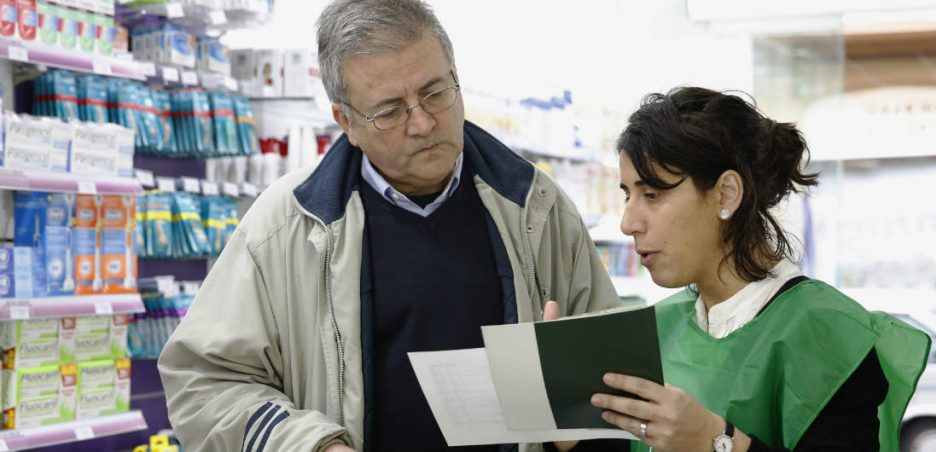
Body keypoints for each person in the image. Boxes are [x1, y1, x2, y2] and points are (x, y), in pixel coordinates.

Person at [157, 1, 622, 451]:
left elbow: (615, 379)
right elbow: (204, 382)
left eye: (435, 93)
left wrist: (575, 419)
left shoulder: (536, 209)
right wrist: (310, 446)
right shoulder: (284, 227)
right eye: (390, 110)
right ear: (346, 122)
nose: (422, 122)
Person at [580, 87, 931, 452]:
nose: (628, 222)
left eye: (652, 194)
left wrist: (715, 441)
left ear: (727, 193)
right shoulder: (659, 328)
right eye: (627, 195)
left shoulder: (827, 334)